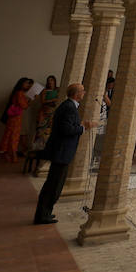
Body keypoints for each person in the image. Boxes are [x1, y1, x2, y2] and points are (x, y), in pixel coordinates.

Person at [33, 82, 96, 225]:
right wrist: (84, 128)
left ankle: (45, 212)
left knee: (55, 184)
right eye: (82, 91)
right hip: (61, 152)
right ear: (77, 94)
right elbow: (66, 130)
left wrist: (81, 125)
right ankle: (42, 215)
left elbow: (68, 126)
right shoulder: (69, 107)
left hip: (61, 151)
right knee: (53, 185)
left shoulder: (69, 106)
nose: (84, 93)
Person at [0, 77, 32, 164]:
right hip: (15, 118)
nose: (28, 85)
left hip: (14, 118)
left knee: (10, 135)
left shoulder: (17, 92)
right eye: (26, 83)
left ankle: (7, 153)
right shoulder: (20, 93)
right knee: (14, 136)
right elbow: (24, 106)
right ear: (21, 84)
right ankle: (13, 155)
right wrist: (31, 100)